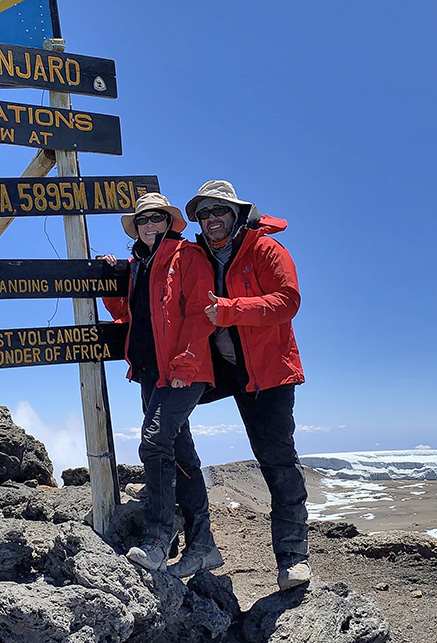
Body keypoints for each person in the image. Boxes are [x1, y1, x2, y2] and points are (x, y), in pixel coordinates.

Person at [185, 180, 311, 591]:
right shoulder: (198, 254)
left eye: (218, 210)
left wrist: (227, 310)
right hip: (221, 367)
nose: (211, 219)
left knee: (277, 460)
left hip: (266, 372)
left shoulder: (263, 248)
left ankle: (292, 556)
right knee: (162, 418)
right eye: (204, 213)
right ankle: (192, 536)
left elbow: (287, 300)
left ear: (236, 213)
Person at [100, 192, 222, 578]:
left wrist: (185, 363)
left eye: (156, 218)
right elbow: (129, 312)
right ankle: (203, 546)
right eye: (142, 220)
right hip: (151, 372)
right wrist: (110, 279)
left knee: (153, 444)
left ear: (169, 222)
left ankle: (157, 540)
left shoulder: (187, 256)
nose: (149, 225)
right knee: (180, 454)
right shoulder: (139, 264)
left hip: (182, 371)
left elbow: (201, 312)